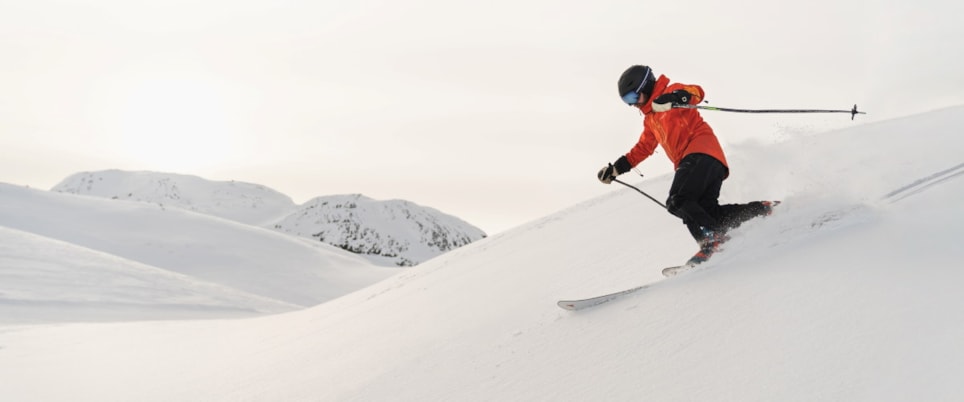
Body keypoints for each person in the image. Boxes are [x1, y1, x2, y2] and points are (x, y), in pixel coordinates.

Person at [597, 65, 776, 267]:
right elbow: (643, 148)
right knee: (706, 212)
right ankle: (764, 209)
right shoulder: (651, 120)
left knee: (678, 200)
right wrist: (616, 169)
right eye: (627, 101)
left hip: (701, 152)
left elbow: (696, 92)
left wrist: (675, 98)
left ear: (645, 86)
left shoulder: (669, 91)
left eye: (633, 98)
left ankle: (712, 240)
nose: (633, 105)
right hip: (703, 162)